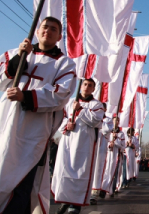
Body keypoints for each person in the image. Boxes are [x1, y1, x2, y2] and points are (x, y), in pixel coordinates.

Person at [0, 17, 77, 214]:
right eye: (45, 27)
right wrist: (19, 57)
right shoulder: (17, 52)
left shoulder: (64, 63)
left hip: (34, 129)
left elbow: (61, 94)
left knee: (21, 178)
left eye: (53, 29)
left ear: (59, 36)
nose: (48, 31)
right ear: (37, 31)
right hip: (6, 121)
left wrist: (25, 96)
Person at [52, 78, 105, 214]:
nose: (87, 87)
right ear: (81, 86)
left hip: (84, 143)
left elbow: (95, 120)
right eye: (85, 84)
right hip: (68, 140)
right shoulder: (70, 102)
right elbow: (60, 118)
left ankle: (75, 204)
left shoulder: (96, 104)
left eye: (90, 85)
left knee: (80, 171)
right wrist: (66, 126)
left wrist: (80, 109)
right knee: (64, 170)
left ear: (94, 89)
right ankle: (64, 199)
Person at [90, 103, 113, 205]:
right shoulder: (93, 116)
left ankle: (94, 195)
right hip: (90, 146)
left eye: (102, 108)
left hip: (101, 149)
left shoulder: (108, 120)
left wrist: (98, 121)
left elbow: (106, 130)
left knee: (98, 170)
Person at [100, 115, 125, 197]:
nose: (116, 122)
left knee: (113, 173)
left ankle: (109, 189)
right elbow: (104, 142)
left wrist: (116, 141)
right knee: (105, 171)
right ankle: (102, 189)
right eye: (115, 120)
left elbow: (123, 146)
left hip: (116, 155)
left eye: (118, 121)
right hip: (107, 154)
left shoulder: (121, 134)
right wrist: (109, 144)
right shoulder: (107, 131)